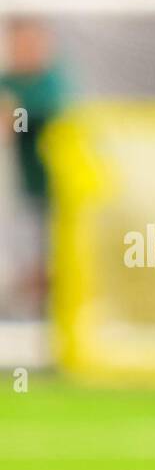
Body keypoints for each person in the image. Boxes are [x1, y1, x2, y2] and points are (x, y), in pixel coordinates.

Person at [0, 17, 67, 316]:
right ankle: (31, 317)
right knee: (27, 260)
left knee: (54, 261)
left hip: (62, 190)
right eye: (19, 42)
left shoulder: (52, 82)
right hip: (24, 191)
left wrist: (14, 114)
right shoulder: (8, 82)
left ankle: (49, 316)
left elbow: (23, 117)